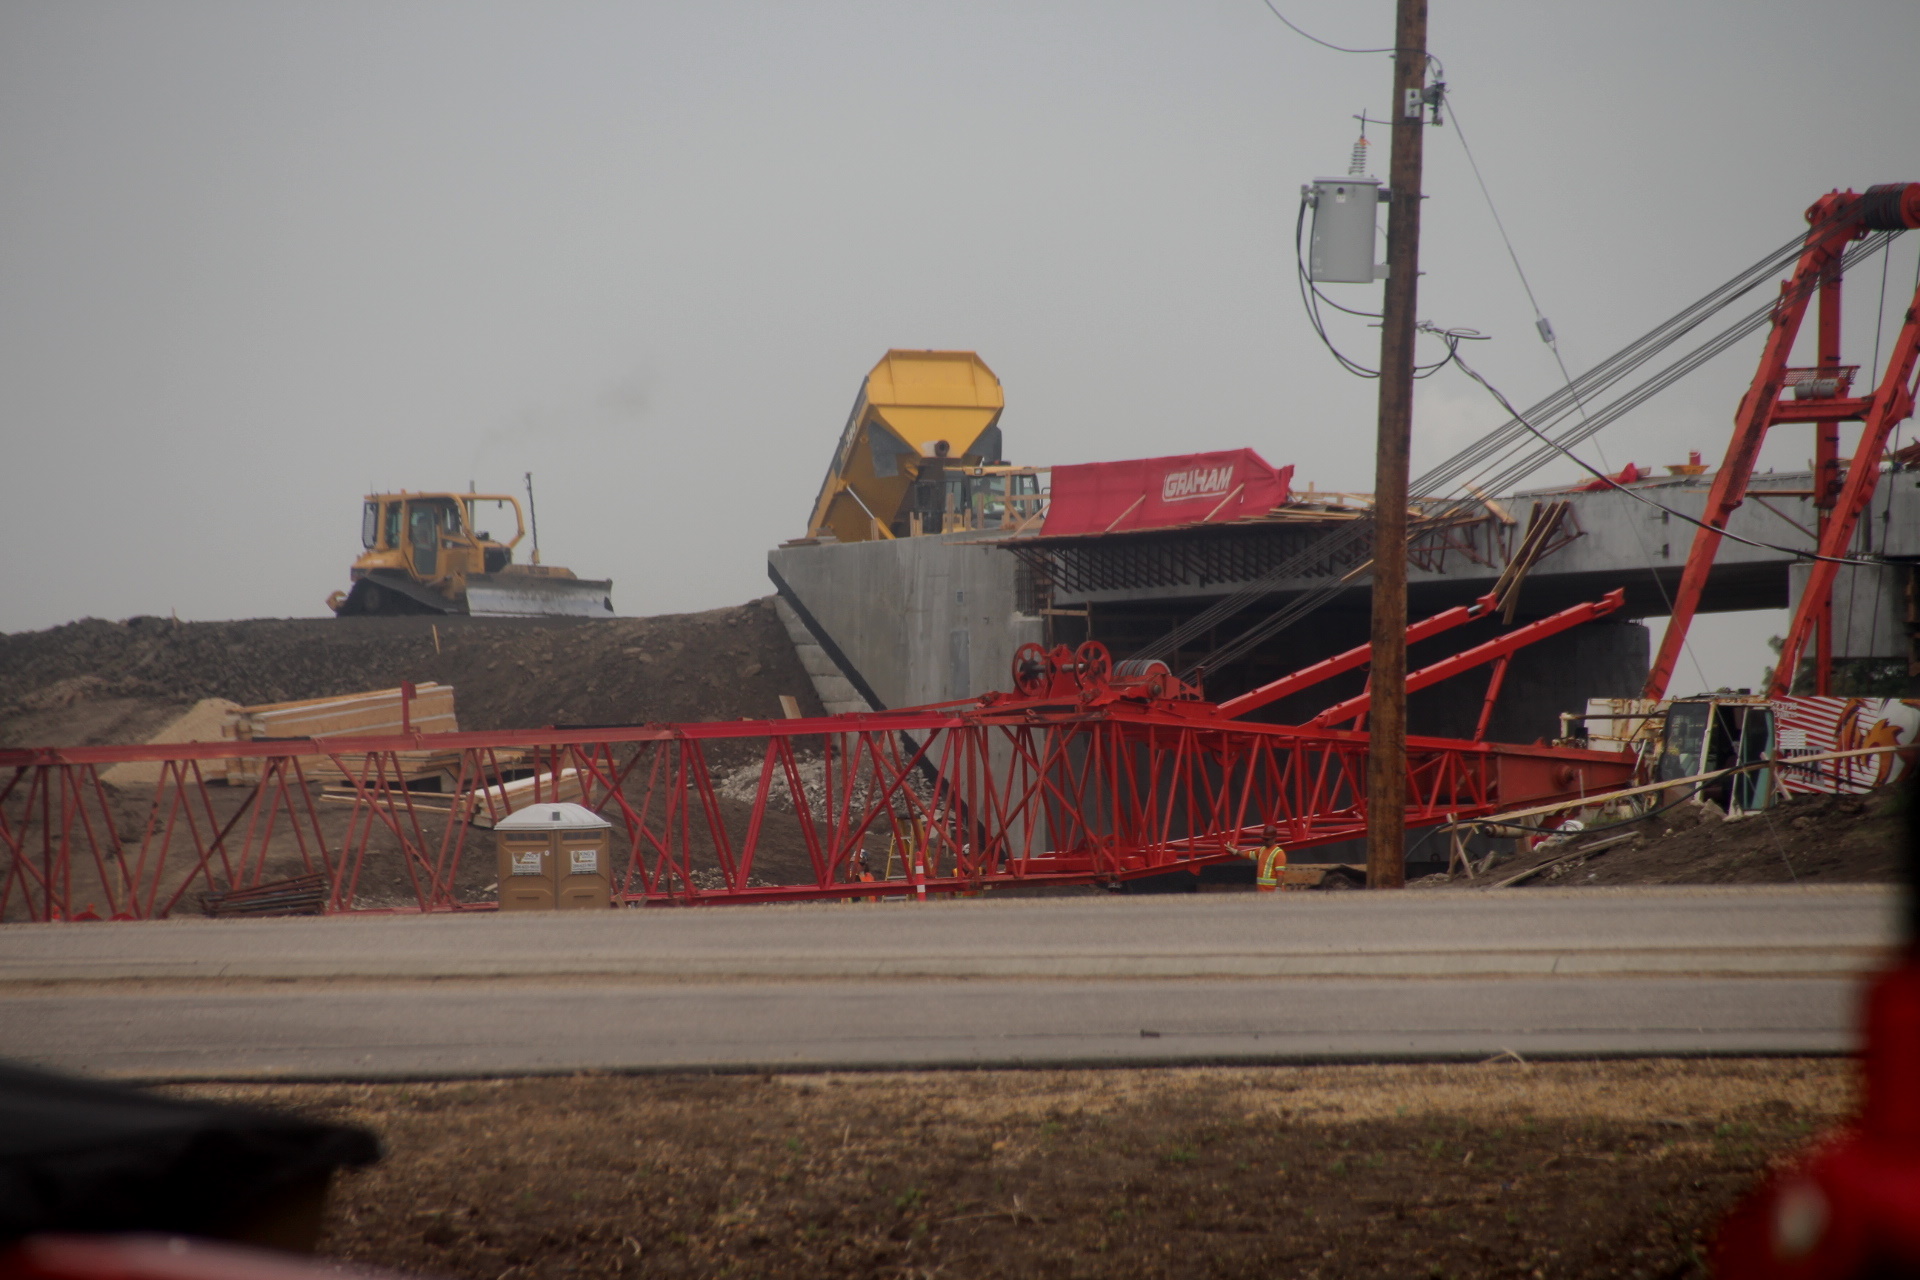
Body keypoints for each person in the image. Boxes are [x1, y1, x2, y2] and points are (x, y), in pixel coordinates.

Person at [1245, 823, 1288, 893]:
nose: (1264, 841)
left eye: (1267, 839)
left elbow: (1280, 874)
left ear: (1274, 838)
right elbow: (1250, 854)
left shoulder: (1279, 853)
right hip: (1263, 892)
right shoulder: (1262, 850)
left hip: (1272, 892)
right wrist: (1235, 851)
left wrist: (1278, 890)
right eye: (1263, 839)